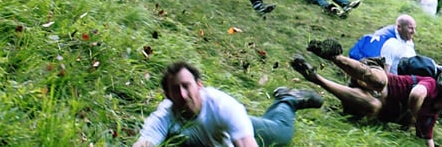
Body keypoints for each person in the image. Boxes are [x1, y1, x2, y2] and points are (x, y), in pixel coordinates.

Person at [290, 45, 442, 147]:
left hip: (361, 101)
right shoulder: (431, 85)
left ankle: (315, 78)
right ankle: (333, 55)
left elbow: (428, 141)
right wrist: (415, 116)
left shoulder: (430, 118)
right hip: (369, 74)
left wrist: (419, 123)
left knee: (374, 107)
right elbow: (416, 95)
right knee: (380, 82)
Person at [132, 61, 322, 147]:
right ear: (168, 95)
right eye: (175, 89)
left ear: (199, 86)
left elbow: (246, 144)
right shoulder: (166, 113)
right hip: (219, 133)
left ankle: (288, 99)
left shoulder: (223, 106)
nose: (182, 94)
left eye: (187, 86)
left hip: (239, 129)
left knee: (282, 133)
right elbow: (146, 141)